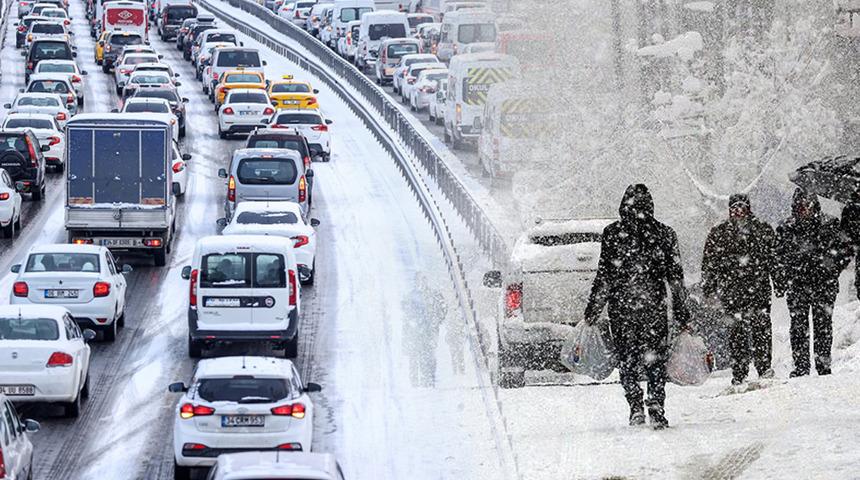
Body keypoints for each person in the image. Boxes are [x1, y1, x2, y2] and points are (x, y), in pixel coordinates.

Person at [584, 184, 690, 430]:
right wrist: (682, 312)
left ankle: (635, 405)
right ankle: (656, 404)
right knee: (655, 360)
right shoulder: (664, 234)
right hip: (654, 307)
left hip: (623, 308)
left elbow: (605, 277)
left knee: (628, 359)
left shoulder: (612, 234)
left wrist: (593, 310)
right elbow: (675, 279)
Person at [701, 194, 777, 385]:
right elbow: (709, 263)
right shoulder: (720, 233)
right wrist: (709, 288)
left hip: (758, 289)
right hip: (732, 291)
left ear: (748, 208)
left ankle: (764, 367)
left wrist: (779, 282)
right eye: (734, 207)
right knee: (737, 333)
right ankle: (740, 372)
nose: (738, 211)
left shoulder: (762, 230)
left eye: (742, 207)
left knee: (761, 330)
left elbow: (774, 259)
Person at [775, 188, 851, 377]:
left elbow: (844, 250)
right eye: (800, 204)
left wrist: (832, 269)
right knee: (798, 326)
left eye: (807, 204)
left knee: (823, 326)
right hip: (797, 285)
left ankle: (823, 365)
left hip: (824, 284)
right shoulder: (785, 228)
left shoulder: (830, 224)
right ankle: (801, 366)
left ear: (814, 204)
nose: (804, 208)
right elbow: (777, 257)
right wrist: (784, 277)